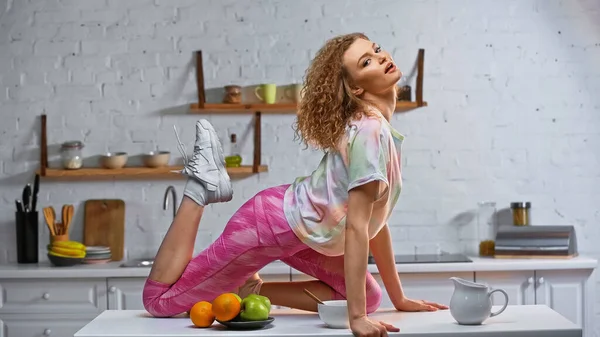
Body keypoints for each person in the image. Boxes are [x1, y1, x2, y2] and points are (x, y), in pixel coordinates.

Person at [143, 32, 448, 337]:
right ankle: (200, 188)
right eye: (367, 60)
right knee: (158, 301)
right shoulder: (369, 132)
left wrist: (399, 299)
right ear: (356, 86)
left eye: (376, 50)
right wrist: (356, 319)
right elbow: (356, 228)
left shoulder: (379, 130)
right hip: (268, 226)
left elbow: (372, 226)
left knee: (369, 298)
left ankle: (252, 288)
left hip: (306, 233)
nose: (381, 57)